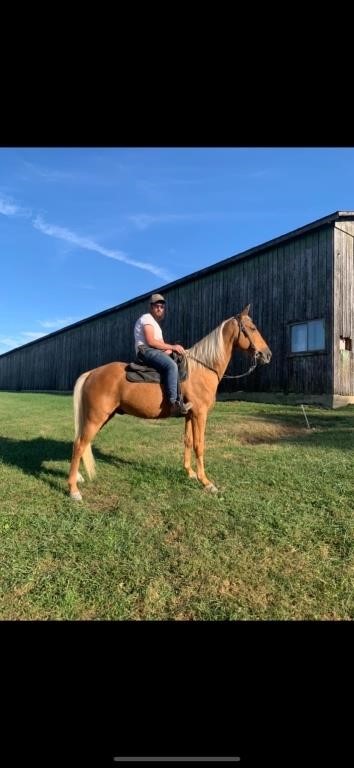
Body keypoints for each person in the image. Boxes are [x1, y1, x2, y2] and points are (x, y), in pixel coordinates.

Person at [134, 293, 193, 417]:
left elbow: (161, 346)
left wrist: (175, 351)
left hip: (153, 350)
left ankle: (181, 398)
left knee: (176, 360)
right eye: (157, 306)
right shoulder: (147, 319)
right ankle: (173, 403)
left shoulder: (156, 326)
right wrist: (172, 347)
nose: (159, 309)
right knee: (171, 366)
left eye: (162, 307)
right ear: (151, 307)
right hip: (145, 350)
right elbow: (151, 341)